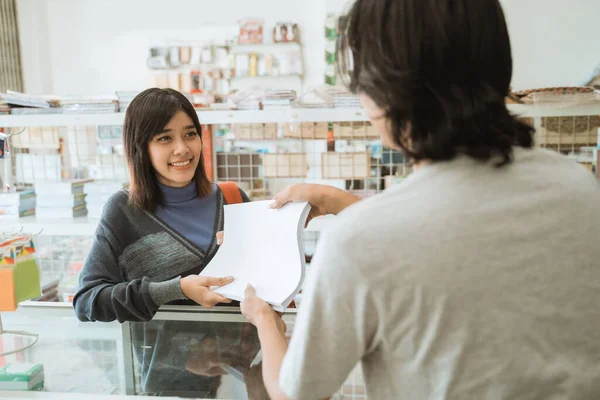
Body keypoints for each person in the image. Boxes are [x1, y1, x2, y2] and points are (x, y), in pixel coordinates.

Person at [240, 0, 600, 399]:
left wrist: (265, 322)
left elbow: (296, 394)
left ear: (386, 87)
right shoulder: (578, 188)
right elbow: (456, 237)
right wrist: (341, 202)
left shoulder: (359, 241)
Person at [72, 88, 250, 395]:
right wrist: (174, 289)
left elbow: (257, 286)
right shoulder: (124, 211)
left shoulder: (232, 200)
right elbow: (88, 301)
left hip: (237, 378)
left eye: (190, 134)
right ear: (141, 147)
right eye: (165, 138)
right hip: (165, 385)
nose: (183, 149)